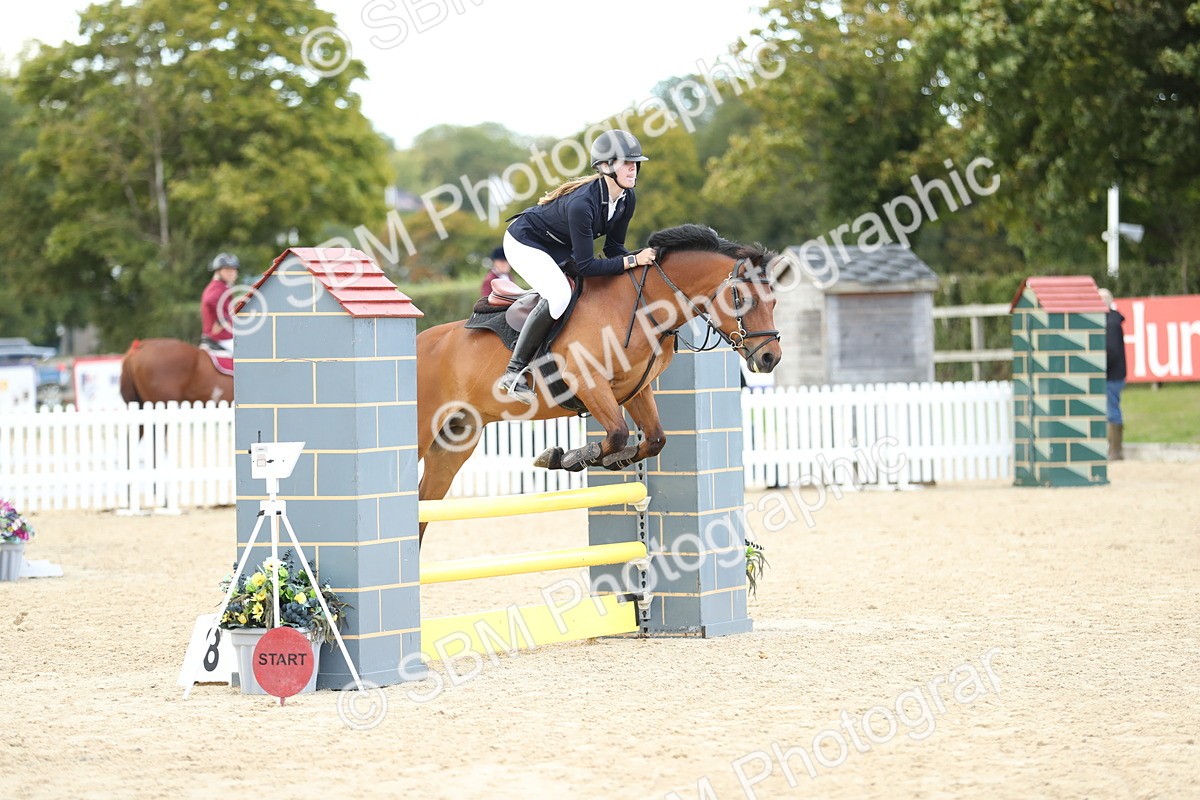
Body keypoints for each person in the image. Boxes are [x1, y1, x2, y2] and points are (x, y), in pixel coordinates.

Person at [498, 129, 658, 403]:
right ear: (606, 166)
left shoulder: (626, 198)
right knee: (560, 294)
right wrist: (633, 260)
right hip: (524, 241)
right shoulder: (583, 204)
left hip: (557, 245)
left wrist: (642, 262)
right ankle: (513, 372)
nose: (633, 168)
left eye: (636, 163)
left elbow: (613, 250)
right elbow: (586, 265)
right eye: (626, 162)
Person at [1098, 288, 1127, 460]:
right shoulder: (1111, 321)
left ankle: (1115, 451)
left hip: (1112, 374)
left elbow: (1112, 352)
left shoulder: (1111, 323)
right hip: (1114, 373)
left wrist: (1101, 368)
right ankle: (1114, 449)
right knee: (1111, 410)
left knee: (1112, 411)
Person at [201, 252, 240, 354]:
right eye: (227, 269)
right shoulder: (217, 287)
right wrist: (223, 319)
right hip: (221, 338)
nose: (231, 272)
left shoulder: (224, 287)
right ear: (218, 271)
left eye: (234, 269)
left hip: (224, 337)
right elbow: (210, 301)